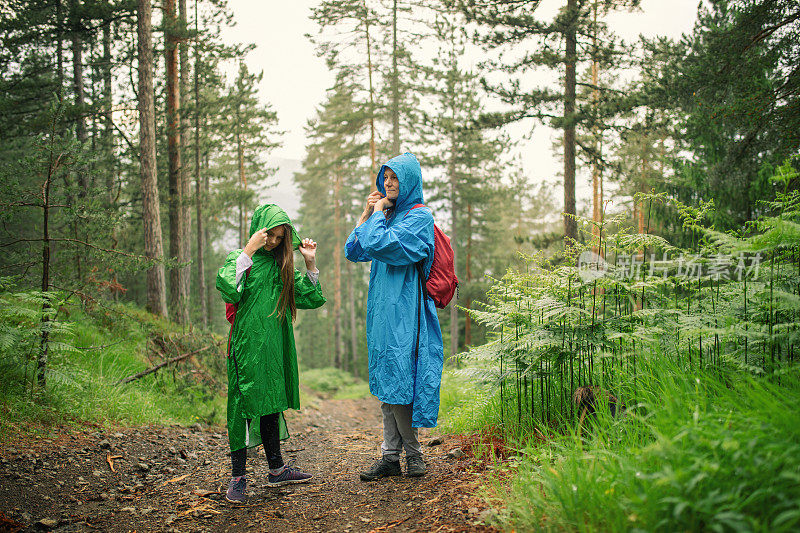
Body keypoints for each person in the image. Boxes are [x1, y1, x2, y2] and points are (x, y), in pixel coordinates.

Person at [344, 152, 444, 481]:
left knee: (400, 381)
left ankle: (413, 455)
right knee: (387, 380)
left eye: (395, 178)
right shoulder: (385, 216)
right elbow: (354, 250)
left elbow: (383, 245)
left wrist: (375, 216)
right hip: (382, 311)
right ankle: (391, 457)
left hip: (407, 312)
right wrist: (366, 213)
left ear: (410, 181)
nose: (388, 183)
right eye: (385, 177)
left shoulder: (419, 218)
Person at [216, 204, 326, 502]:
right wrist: (248, 251)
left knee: (271, 400)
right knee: (241, 406)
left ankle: (276, 469)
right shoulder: (239, 259)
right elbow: (228, 288)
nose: (274, 242)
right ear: (259, 230)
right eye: (270, 235)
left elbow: (309, 297)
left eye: (280, 238)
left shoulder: (282, 266)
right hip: (246, 345)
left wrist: (310, 263)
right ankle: (238, 477)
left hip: (275, 345)